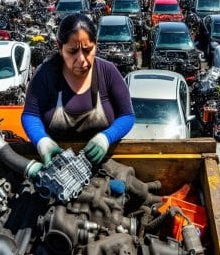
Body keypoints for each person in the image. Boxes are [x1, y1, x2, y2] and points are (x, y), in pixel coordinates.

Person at [22, 13, 135, 167]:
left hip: (103, 164)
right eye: (72, 51)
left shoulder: (107, 72)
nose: (81, 59)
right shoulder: (45, 74)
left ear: (96, 44)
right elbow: (30, 114)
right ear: (59, 47)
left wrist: (106, 137)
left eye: (88, 50)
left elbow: (127, 115)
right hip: (56, 166)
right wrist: (42, 140)